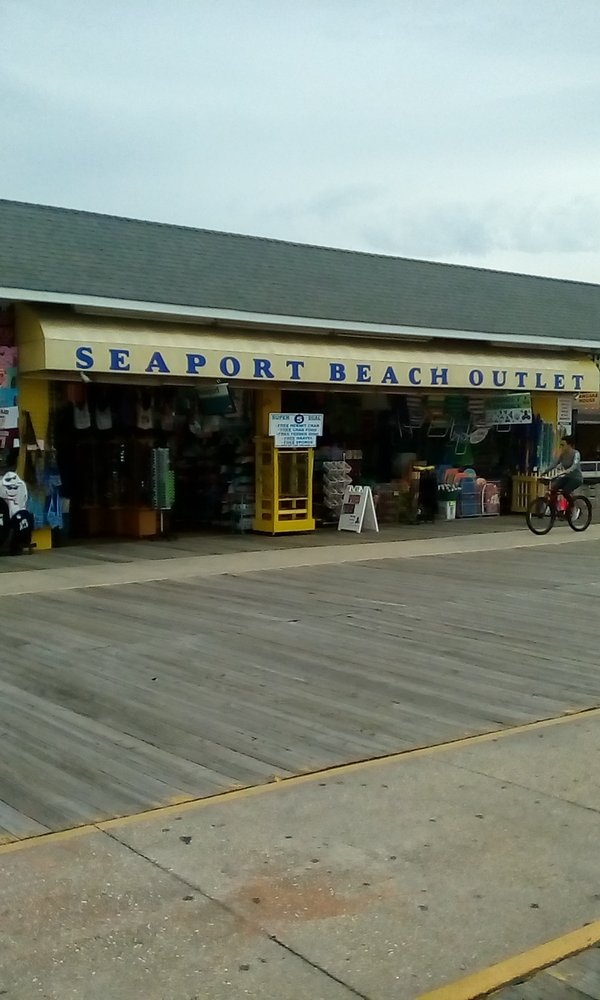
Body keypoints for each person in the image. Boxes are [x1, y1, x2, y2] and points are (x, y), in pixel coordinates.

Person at [542, 435, 583, 500]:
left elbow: (574, 465)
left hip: (576, 478)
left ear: (569, 445)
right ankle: (553, 508)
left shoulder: (576, 453)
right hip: (566, 476)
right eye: (561, 445)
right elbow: (554, 464)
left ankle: (572, 507)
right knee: (553, 488)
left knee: (565, 491)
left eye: (563, 445)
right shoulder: (562, 454)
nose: (561, 447)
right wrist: (544, 472)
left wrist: (567, 471)